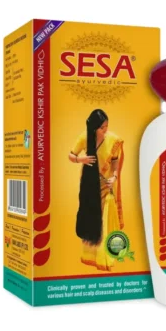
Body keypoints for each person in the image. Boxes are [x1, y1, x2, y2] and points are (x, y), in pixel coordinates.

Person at [69, 109, 124, 271]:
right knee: (91, 218)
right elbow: (71, 155)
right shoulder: (84, 138)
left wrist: (114, 176)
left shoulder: (113, 140)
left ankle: (105, 257)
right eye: (102, 127)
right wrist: (81, 159)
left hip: (106, 185)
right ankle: (90, 256)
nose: (105, 130)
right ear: (94, 128)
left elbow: (115, 161)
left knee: (104, 219)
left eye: (107, 126)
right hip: (89, 186)